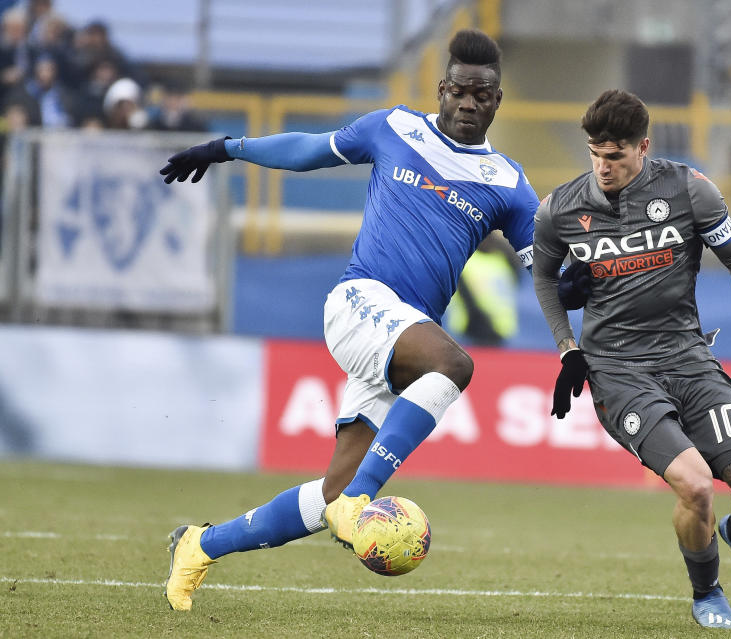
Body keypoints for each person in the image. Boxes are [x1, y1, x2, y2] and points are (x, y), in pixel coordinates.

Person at [159, 29, 538, 612]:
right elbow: (310, 149)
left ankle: (200, 544)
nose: (469, 103)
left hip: (400, 340)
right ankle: (360, 499)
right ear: (442, 89)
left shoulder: (509, 184)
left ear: (497, 101)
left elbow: (550, 269)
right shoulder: (394, 128)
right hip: (360, 303)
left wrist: (596, 279)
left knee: (328, 494)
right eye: (459, 90)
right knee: (454, 364)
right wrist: (227, 148)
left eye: (482, 95)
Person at [532, 89, 731, 629]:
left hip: (689, 358)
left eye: (615, 155)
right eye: (595, 153)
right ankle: (707, 594)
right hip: (618, 371)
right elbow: (544, 276)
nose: (603, 167)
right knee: (698, 484)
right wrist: (569, 349)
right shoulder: (560, 209)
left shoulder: (690, 190)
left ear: (643, 147)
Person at [446, 232, 521, 346]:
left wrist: (501, 237)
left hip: (500, 332)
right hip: (470, 332)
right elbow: (468, 300)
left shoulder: (501, 259)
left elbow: (518, 265)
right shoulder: (464, 260)